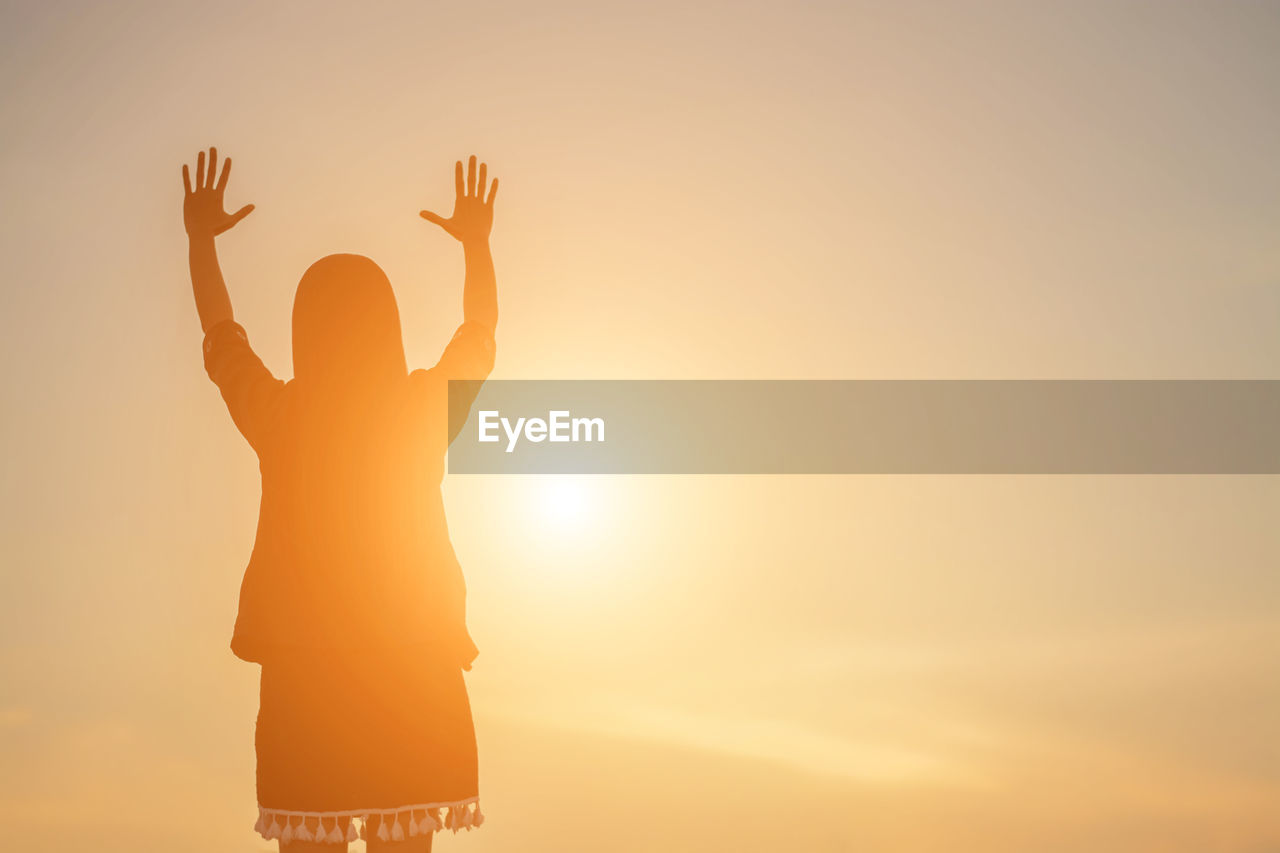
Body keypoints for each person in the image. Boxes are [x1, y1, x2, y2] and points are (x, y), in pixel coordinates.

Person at [183, 147, 499, 851]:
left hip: (307, 685)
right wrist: (477, 247)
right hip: (408, 673)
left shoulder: (282, 418)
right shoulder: (418, 410)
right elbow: (480, 338)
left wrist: (201, 242)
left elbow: (220, 341)